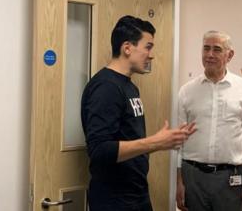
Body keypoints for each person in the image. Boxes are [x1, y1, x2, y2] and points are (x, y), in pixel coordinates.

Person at [81, 15, 196, 211]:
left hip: (135, 195)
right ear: (127, 48)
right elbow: (100, 151)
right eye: (148, 47)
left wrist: (163, 142)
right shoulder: (106, 87)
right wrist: (156, 142)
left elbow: (128, 140)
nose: (151, 55)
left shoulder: (129, 87)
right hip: (114, 201)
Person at [176, 30, 242, 211]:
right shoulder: (187, 91)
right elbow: (178, 141)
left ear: (230, 55)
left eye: (217, 49)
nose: (210, 54)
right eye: (206, 49)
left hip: (230, 178)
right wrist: (178, 180)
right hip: (193, 176)